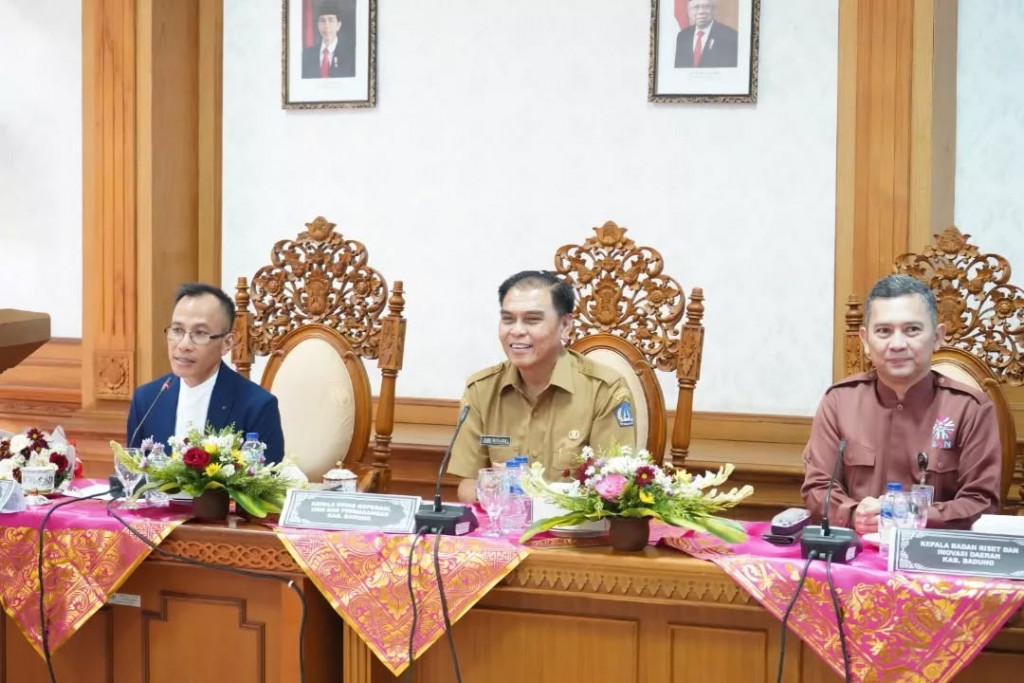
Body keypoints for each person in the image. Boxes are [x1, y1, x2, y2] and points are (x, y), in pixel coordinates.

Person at [800, 275, 1001, 531]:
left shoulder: (970, 408)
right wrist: (852, 514)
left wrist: (910, 516)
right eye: (884, 331)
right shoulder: (839, 402)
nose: (897, 344)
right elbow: (817, 488)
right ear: (865, 341)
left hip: (932, 551)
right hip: (856, 549)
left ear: (937, 337)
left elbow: (981, 504)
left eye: (912, 330)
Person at [447, 270, 637, 503]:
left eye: (532, 320)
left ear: (565, 325)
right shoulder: (481, 390)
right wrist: (487, 489)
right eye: (508, 319)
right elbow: (467, 485)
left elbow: (614, 490)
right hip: (505, 523)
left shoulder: (604, 389)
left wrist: (537, 495)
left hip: (576, 525)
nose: (517, 331)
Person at [126, 283, 285, 463]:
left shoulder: (257, 406)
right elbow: (133, 472)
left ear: (227, 343)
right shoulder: (147, 400)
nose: (184, 345)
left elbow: (266, 477)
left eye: (200, 333)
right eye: (177, 330)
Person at [674, 0, 738, 69]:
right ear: (689, 11)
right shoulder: (682, 36)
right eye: (696, 7)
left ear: (714, 10)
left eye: (706, 7)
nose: (701, 12)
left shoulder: (730, 36)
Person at [301, 1, 355, 79]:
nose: (327, 26)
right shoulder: (307, 55)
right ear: (318, 25)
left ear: (338, 25)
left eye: (331, 20)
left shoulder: (351, 54)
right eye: (323, 21)